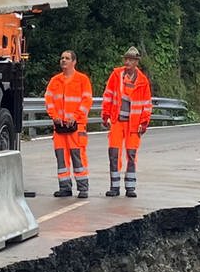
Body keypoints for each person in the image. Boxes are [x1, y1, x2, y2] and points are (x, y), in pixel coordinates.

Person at [101, 46, 153, 197]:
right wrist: (105, 115)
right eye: (126, 59)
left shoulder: (142, 81)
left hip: (134, 124)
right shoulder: (116, 75)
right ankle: (114, 187)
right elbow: (108, 95)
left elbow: (146, 104)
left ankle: (130, 188)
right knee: (114, 153)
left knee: (131, 154)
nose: (128, 62)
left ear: (136, 62)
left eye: (131, 59)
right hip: (117, 121)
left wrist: (144, 123)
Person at [43, 50, 93, 198]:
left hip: (76, 127)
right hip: (59, 127)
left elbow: (86, 101)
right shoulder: (55, 81)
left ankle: (83, 188)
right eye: (62, 58)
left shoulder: (82, 80)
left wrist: (76, 117)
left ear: (74, 62)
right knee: (61, 158)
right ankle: (65, 187)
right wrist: (55, 116)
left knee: (78, 156)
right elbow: (48, 100)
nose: (63, 60)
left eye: (67, 58)